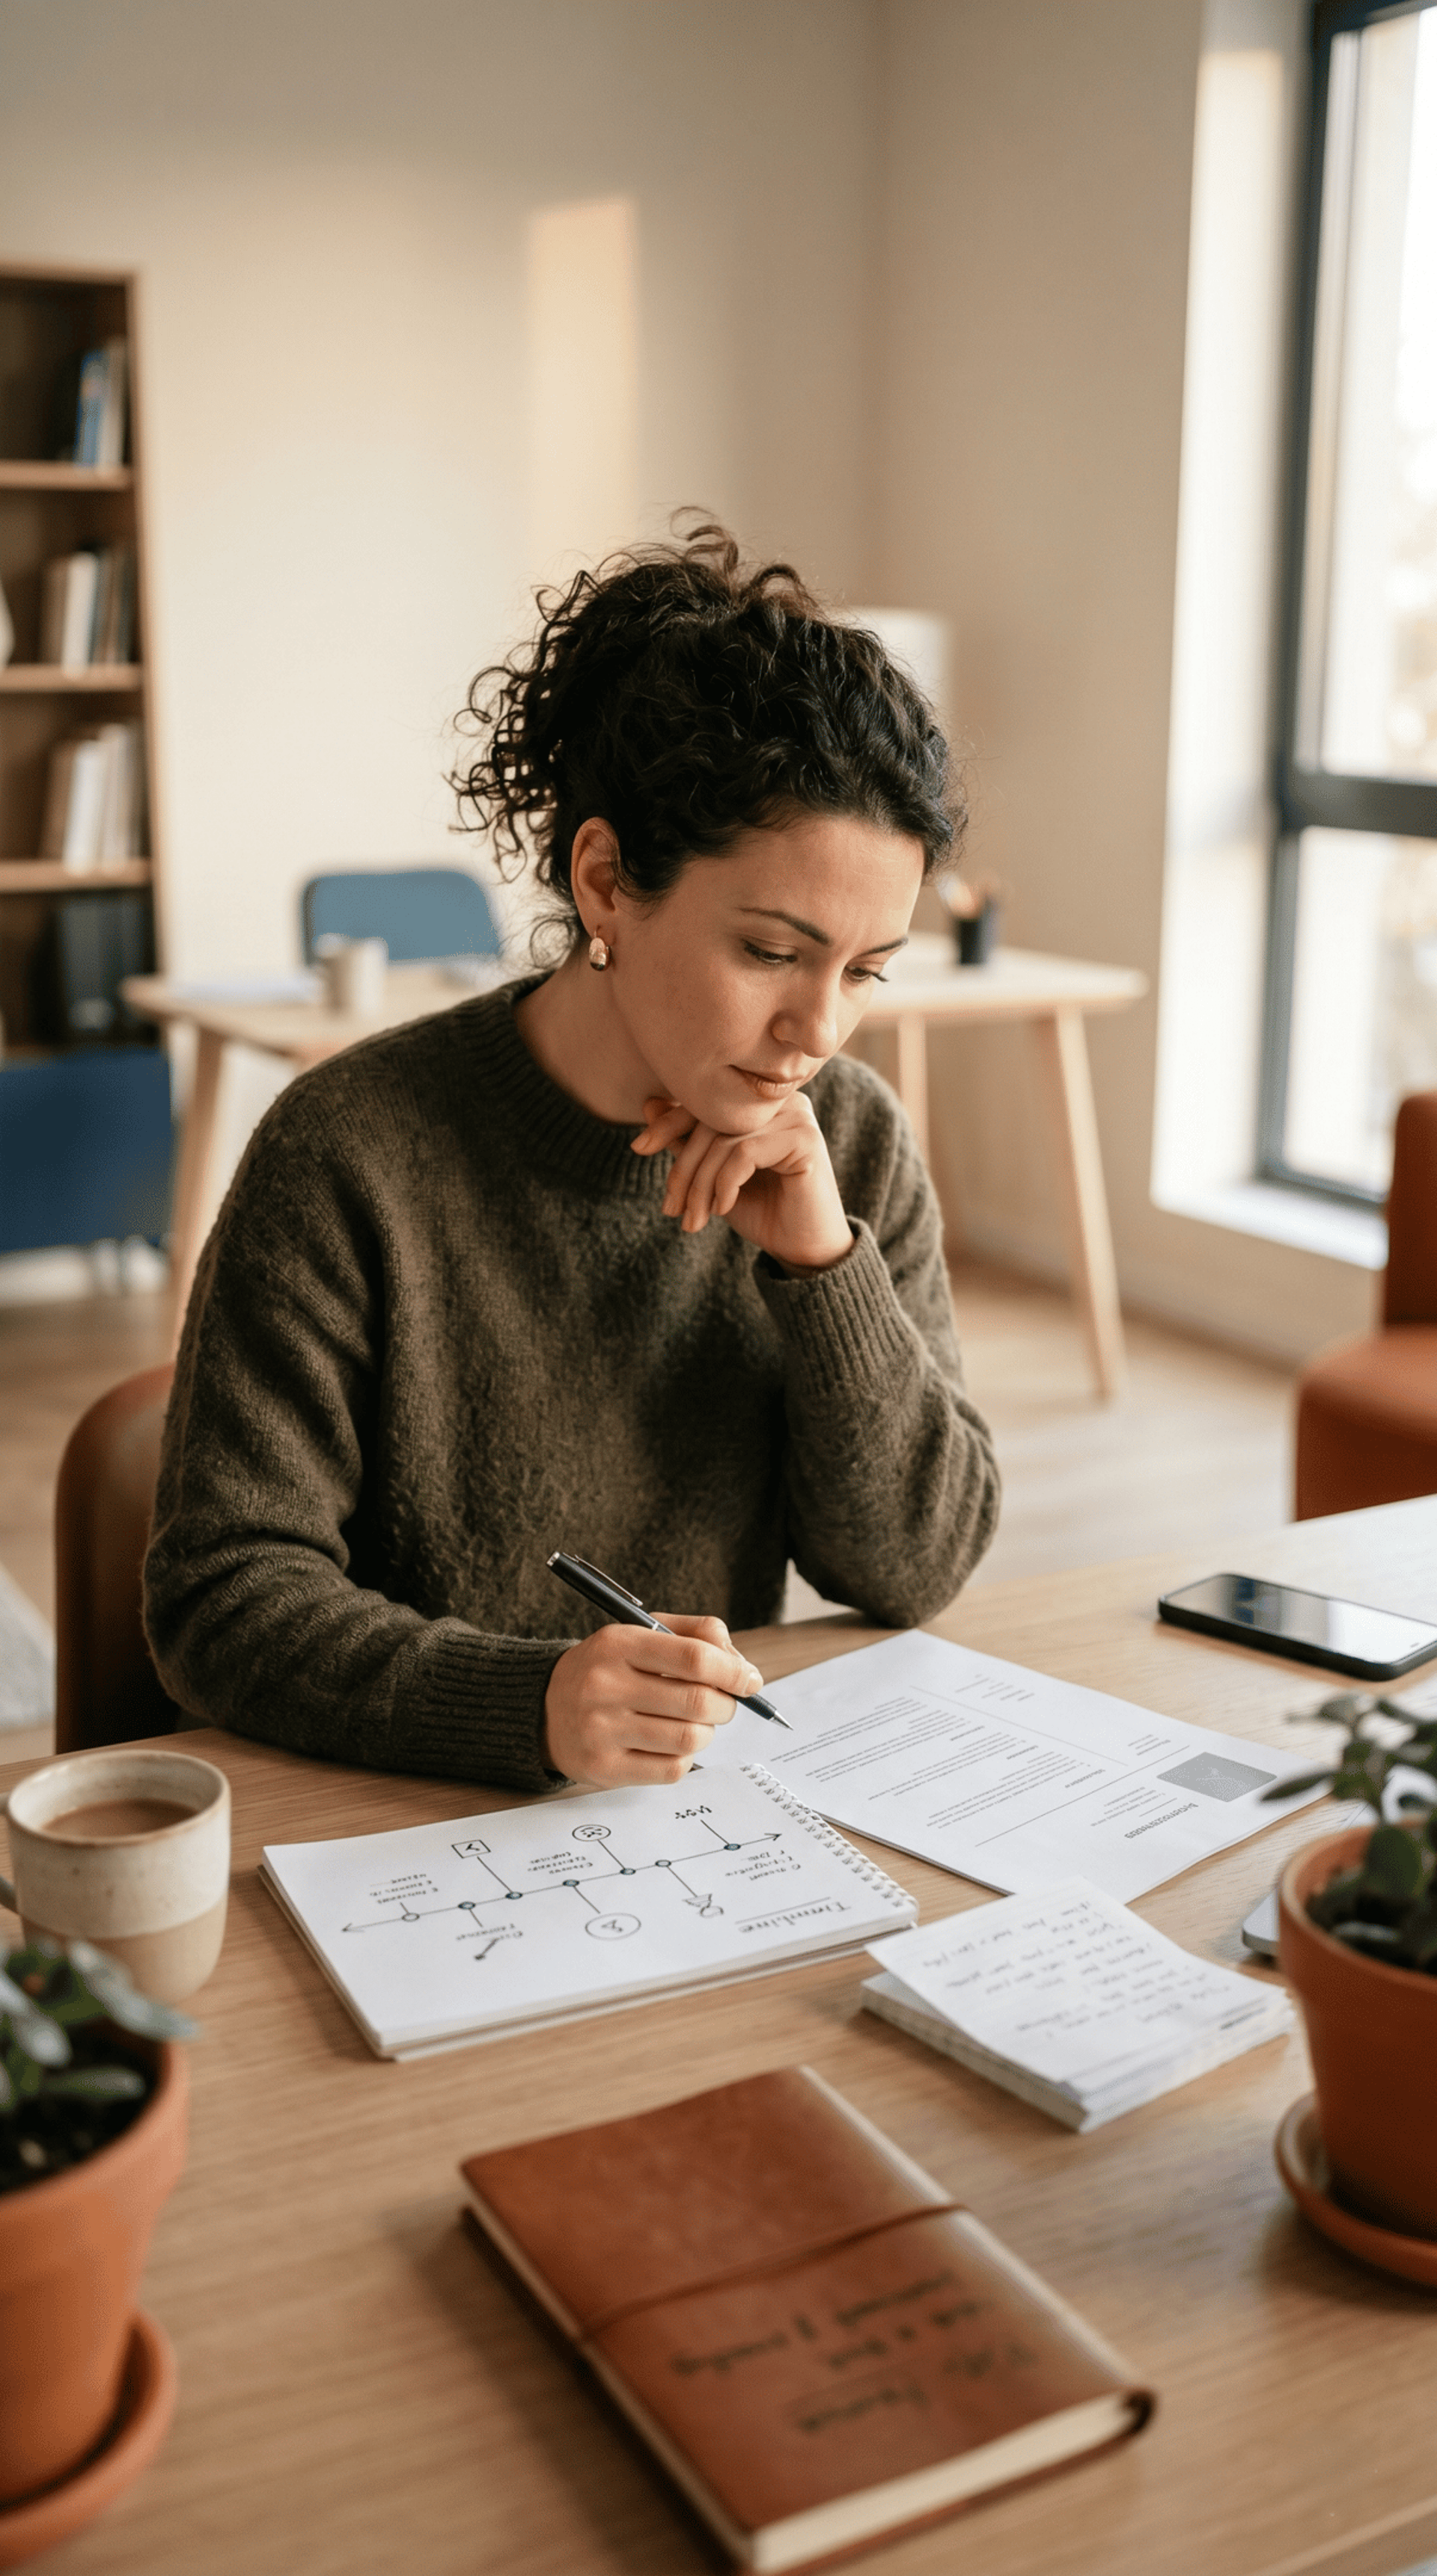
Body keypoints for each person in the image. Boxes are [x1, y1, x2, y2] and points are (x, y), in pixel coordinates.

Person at [144, 523, 1000, 1793]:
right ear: (604, 883)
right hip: (403, 1830)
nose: (818, 1031)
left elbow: (916, 1569)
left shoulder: (852, 1144)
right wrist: (527, 1701)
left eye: (865, 972)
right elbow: (221, 1595)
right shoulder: (349, 1154)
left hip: (695, 1828)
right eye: (772, 950)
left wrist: (825, 1268)